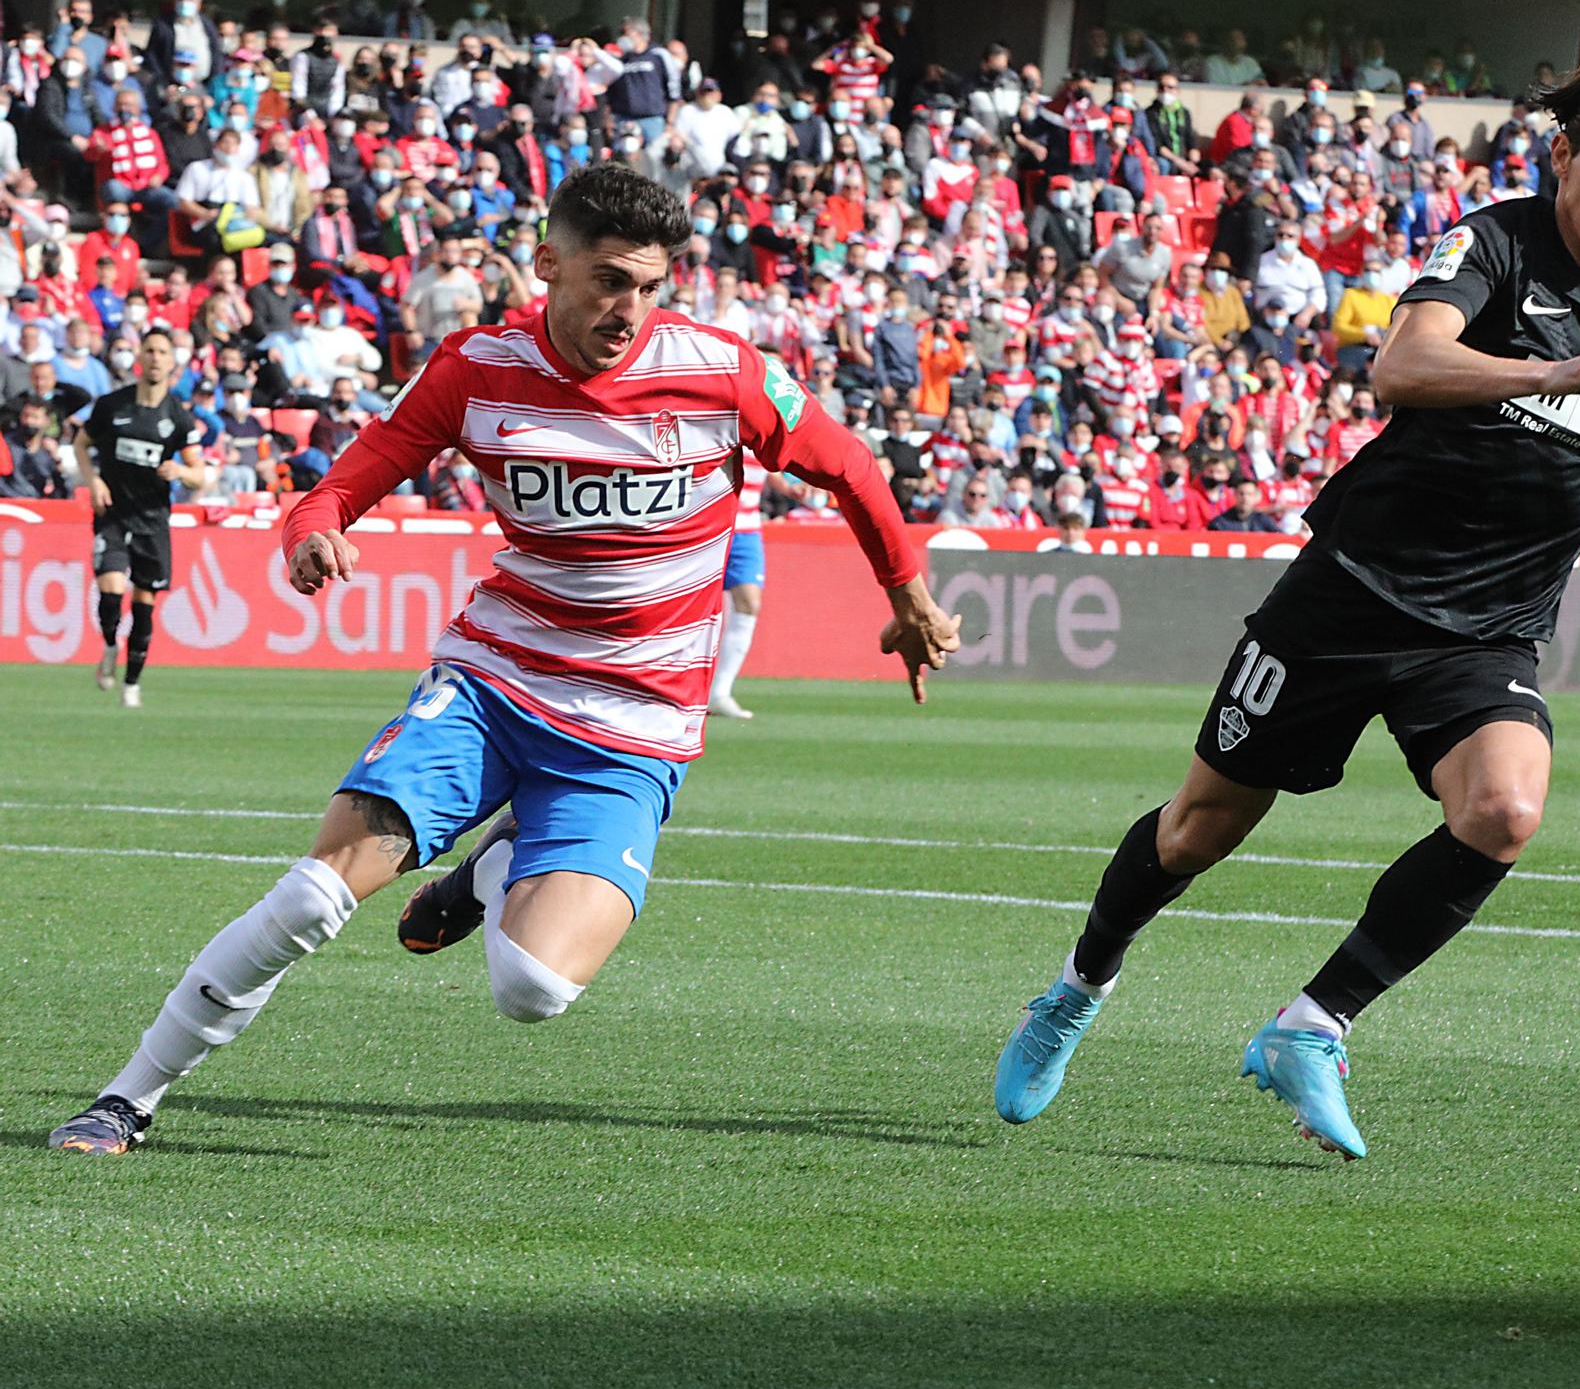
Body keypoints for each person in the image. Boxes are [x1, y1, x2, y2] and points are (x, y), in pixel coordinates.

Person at [48, 166, 961, 1157]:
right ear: (546, 264)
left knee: (534, 989)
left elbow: (851, 467)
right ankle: (127, 1098)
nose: (631, 310)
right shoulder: (477, 368)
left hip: (632, 726)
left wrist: (907, 595)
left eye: (652, 287)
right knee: (316, 896)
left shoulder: (721, 370)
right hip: (495, 682)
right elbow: (346, 480)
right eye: (610, 280)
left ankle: (492, 869)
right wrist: (311, 533)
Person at [991, 58, 1580, 1160]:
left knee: (1504, 811)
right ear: (1559, 159)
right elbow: (1400, 366)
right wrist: (1555, 374)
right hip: (1349, 594)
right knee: (1198, 829)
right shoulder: (1493, 245)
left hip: (1486, 627)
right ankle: (1075, 986)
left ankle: (1311, 1024)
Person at [69, 330, 208, 709]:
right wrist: (93, 479)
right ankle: (110, 643)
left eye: (163, 352)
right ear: (139, 358)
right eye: (149, 350)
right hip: (113, 513)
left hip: (153, 519)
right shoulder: (112, 405)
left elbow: (201, 474)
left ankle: (132, 683)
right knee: (112, 592)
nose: (156, 358)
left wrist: (181, 472)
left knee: (145, 602)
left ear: (171, 362)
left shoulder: (179, 418)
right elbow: (82, 443)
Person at [708, 444, 769, 721]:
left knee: (749, 604)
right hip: (712, 525)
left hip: (747, 531)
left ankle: (720, 693)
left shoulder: (767, 425)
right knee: (700, 607)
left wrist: (789, 488)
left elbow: (771, 464)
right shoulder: (726, 419)